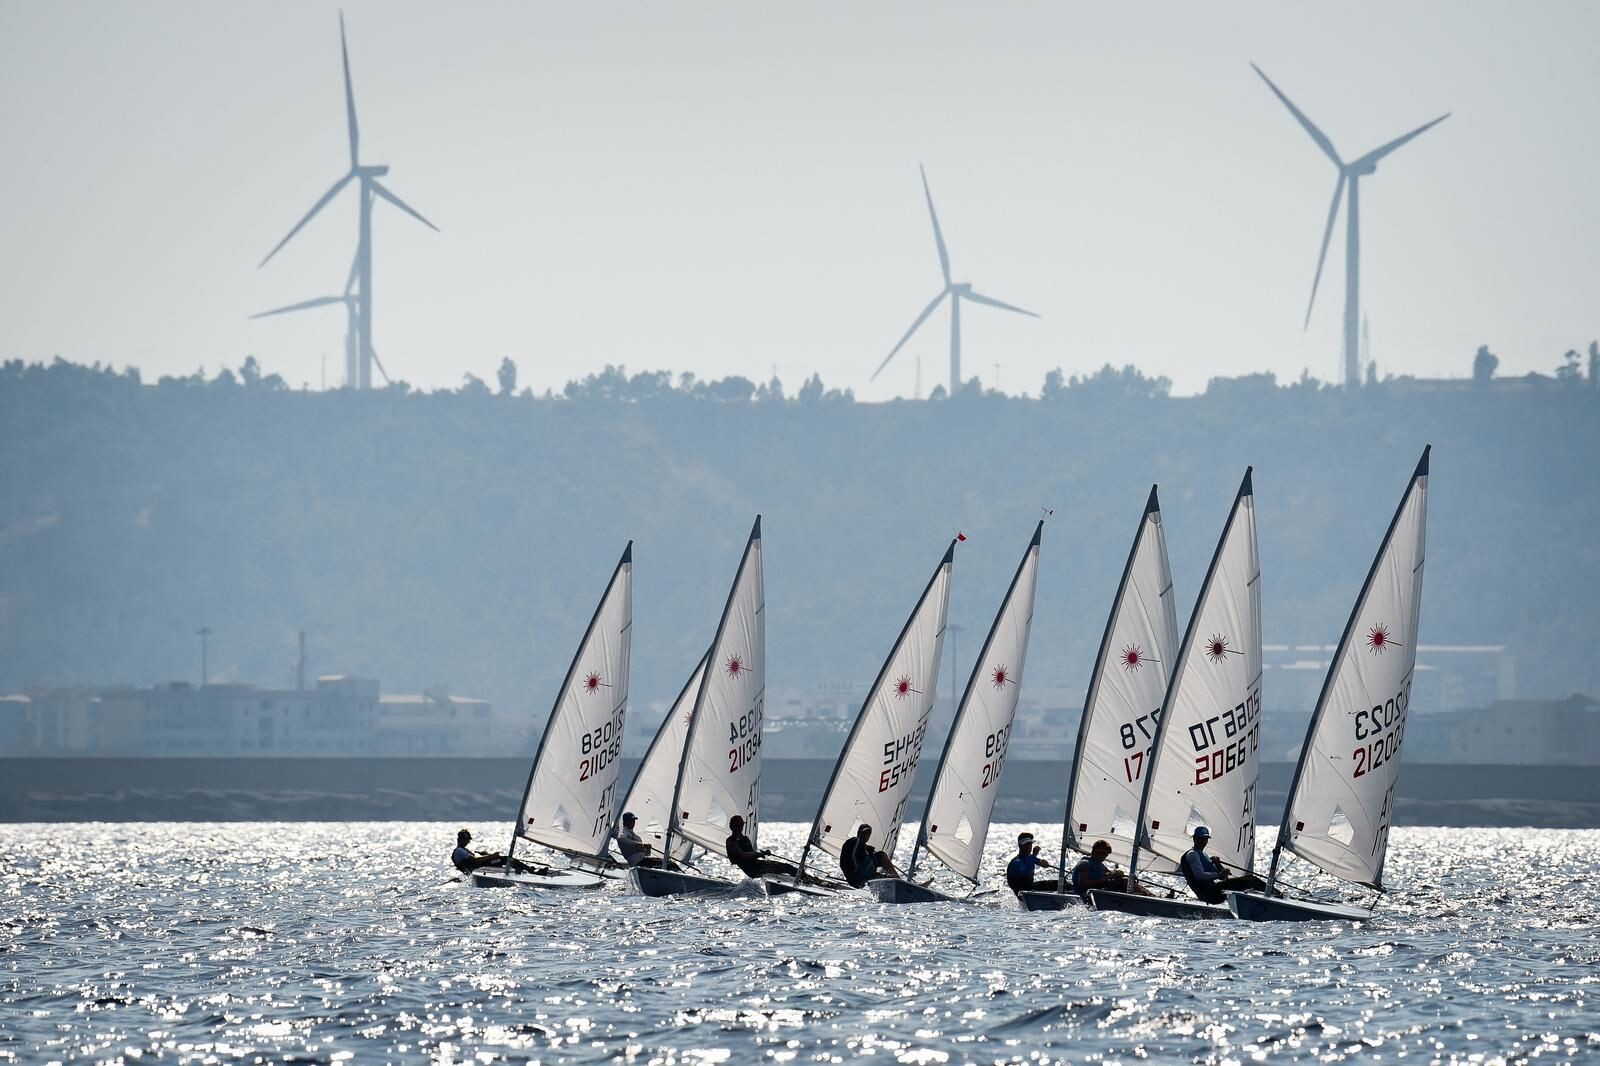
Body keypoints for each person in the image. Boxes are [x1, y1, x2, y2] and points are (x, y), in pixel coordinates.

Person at [1179, 826, 1266, 904]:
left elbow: (1224, 878)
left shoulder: (1204, 855)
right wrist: (1219, 875)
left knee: (1248, 883)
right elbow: (1199, 876)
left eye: (1205, 839)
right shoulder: (1192, 854)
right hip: (1209, 893)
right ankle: (1276, 896)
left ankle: (1266, 899)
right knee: (1250, 879)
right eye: (1200, 839)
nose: (1203, 841)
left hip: (1214, 892)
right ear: (1194, 839)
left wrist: (1218, 865)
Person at [725, 814, 798, 879]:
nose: (740, 828)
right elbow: (742, 855)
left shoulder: (745, 838)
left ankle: (806, 880)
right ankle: (804, 881)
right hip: (754, 870)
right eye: (737, 826)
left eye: (741, 825)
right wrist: (759, 854)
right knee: (786, 868)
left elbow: (752, 854)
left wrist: (764, 853)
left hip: (758, 865)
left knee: (787, 867)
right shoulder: (731, 841)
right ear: (731, 827)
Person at [450, 828, 540, 875]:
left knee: (502, 859)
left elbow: (475, 858)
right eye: (465, 839)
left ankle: (524, 869)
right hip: (478, 869)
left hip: (479, 868)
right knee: (505, 859)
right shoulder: (459, 851)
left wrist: (485, 855)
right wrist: (491, 856)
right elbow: (474, 861)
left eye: (468, 840)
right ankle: (531, 871)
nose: (467, 841)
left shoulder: (463, 850)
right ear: (459, 839)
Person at [838, 823, 900, 888]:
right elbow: (852, 856)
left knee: (883, 877)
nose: (866, 836)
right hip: (857, 876)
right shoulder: (856, 841)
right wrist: (856, 869)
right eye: (864, 833)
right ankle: (897, 879)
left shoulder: (861, 845)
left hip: (857, 878)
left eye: (868, 834)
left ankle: (888, 881)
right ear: (858, 833)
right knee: (881, 855)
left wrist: (869, 852)